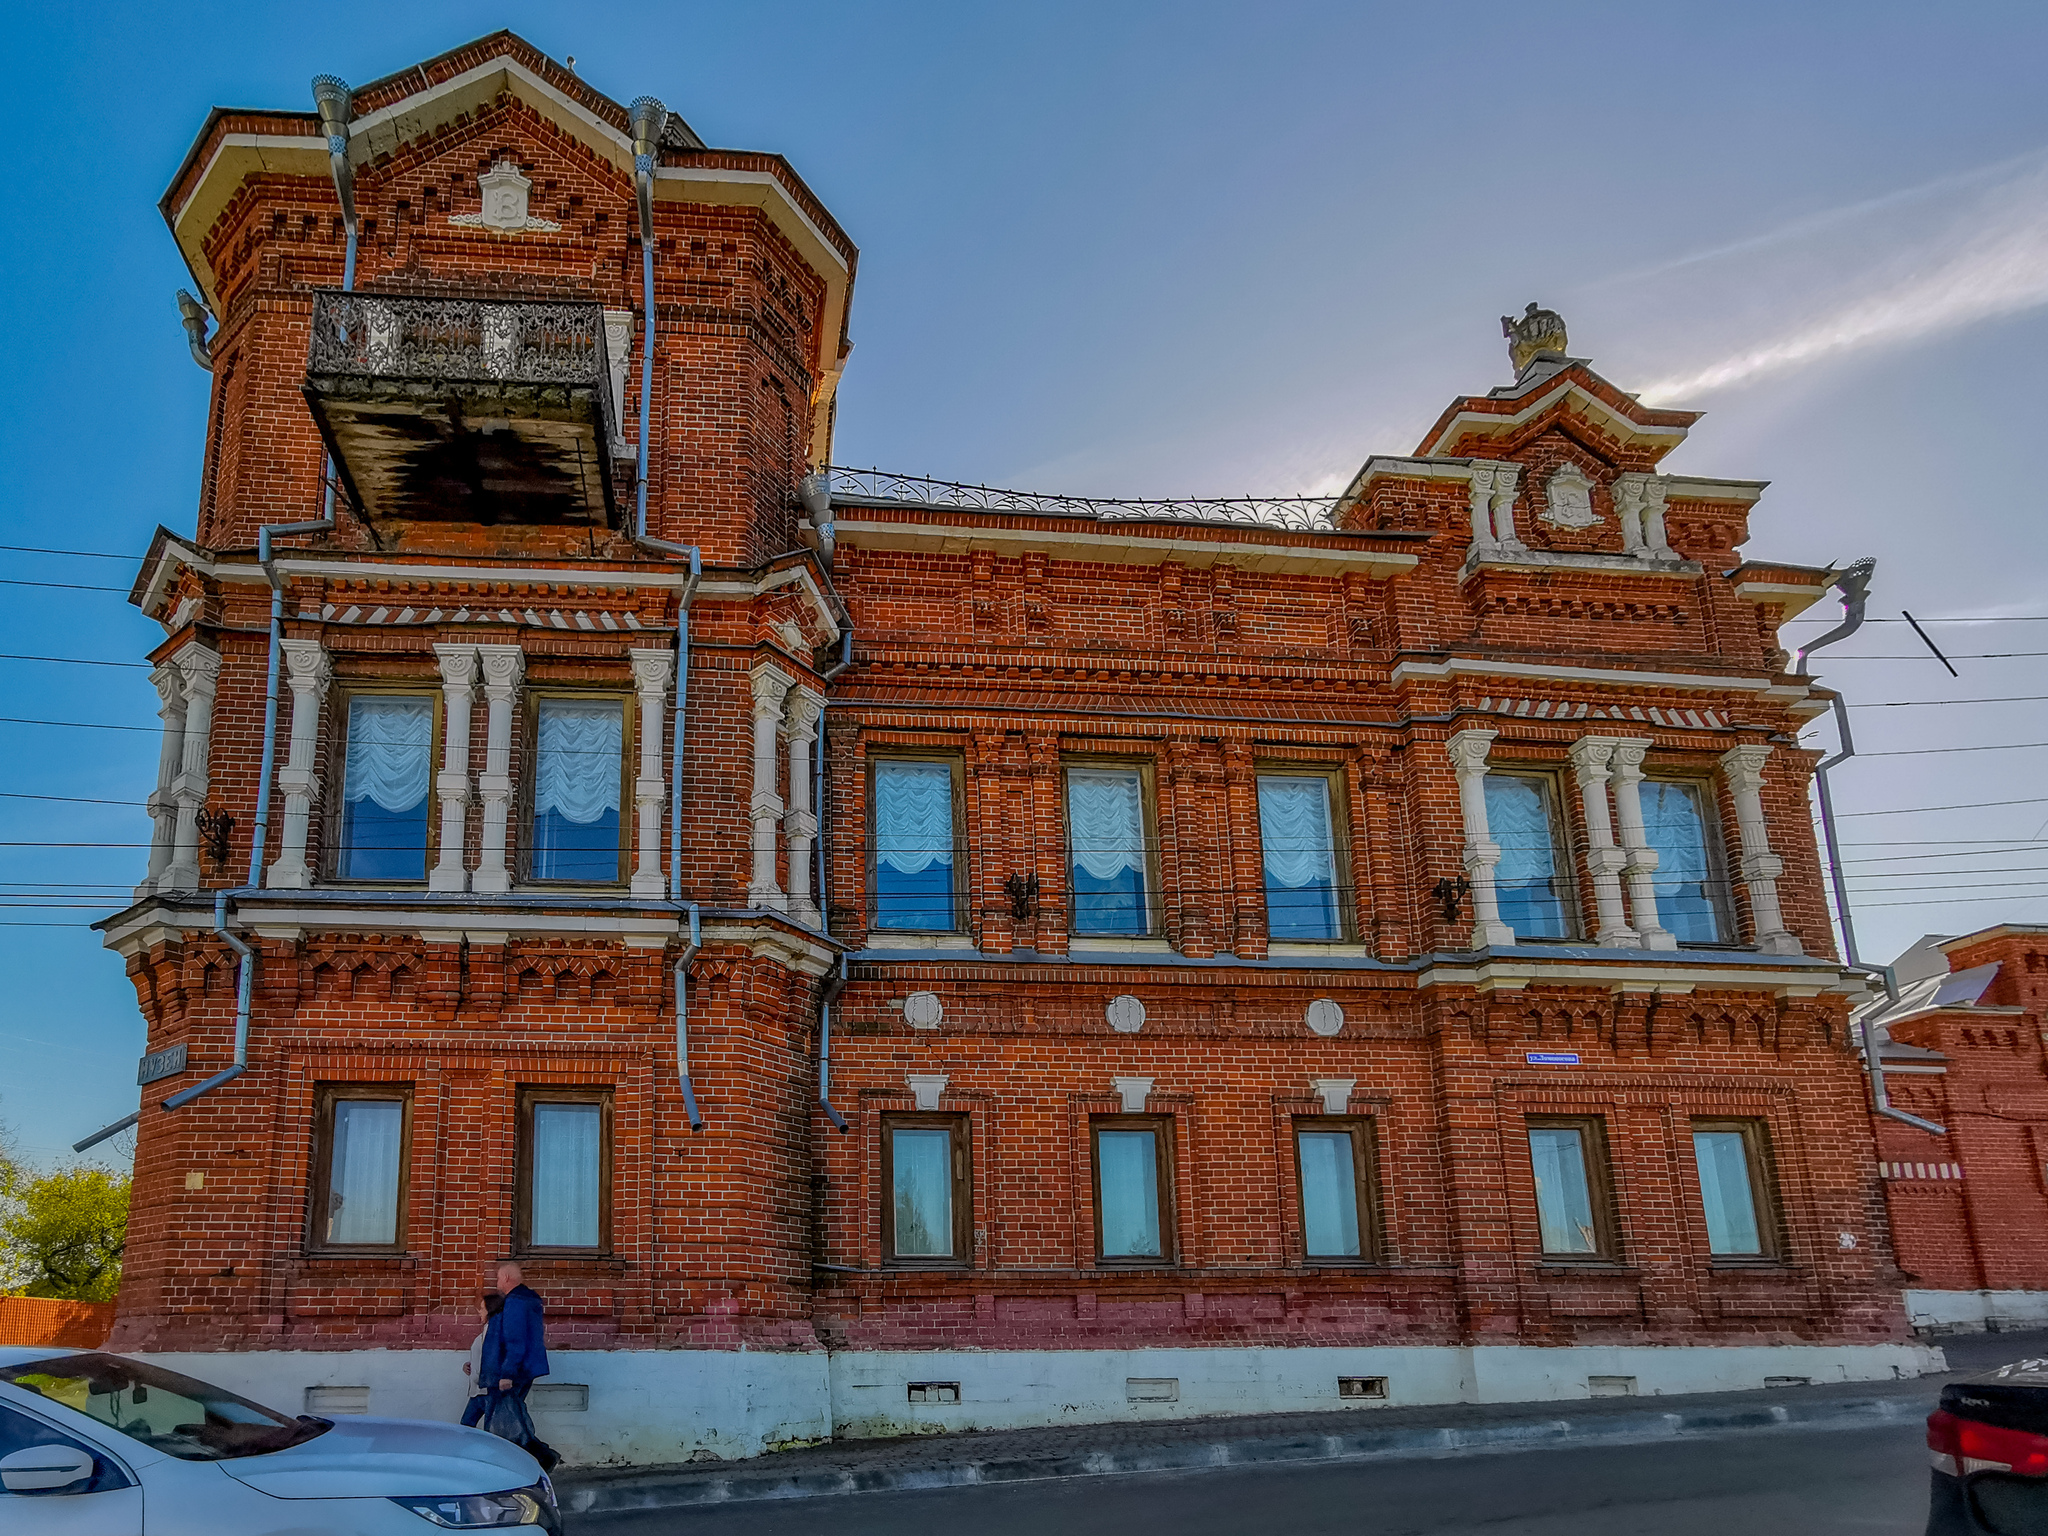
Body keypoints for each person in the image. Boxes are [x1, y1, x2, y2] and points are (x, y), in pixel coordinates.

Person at [480, 1260, 558, 1471]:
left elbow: (515, 1340)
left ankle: (539, 1455)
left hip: (512, 1370)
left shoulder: (515, 1302)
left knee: (506, 1416)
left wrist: (507, 1373)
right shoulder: (529, 1300)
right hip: (524, 1367)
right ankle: (534, 1455)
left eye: (498, 1278)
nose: (497, 1283)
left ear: (506, 1278)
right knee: (512, 1413)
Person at [460, 1291, 502, 1428]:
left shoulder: (495, 1332)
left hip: (489, 1390)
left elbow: (496, 1359)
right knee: (466, 1426)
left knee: (488, 1430)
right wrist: (470, 1366)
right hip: (478, 1391)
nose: (480, 1311)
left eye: (483, 1308)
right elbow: (484, 1356)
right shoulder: (485, 1331)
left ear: (491, 1309)